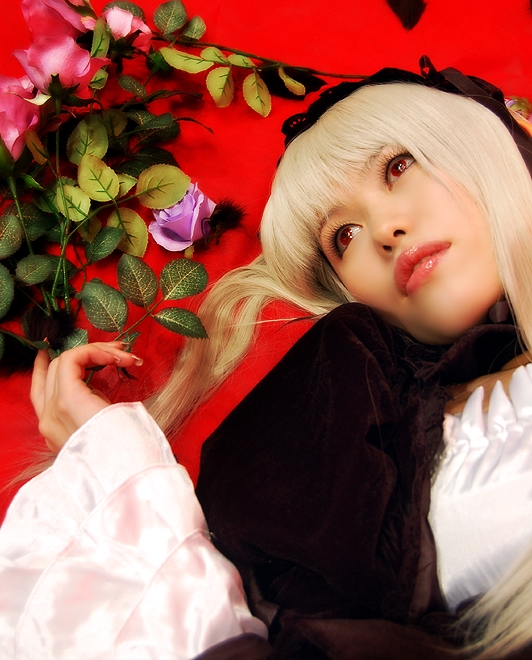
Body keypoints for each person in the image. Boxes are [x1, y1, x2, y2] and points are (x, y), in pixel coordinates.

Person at [3, 59, 532, 659]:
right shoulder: (367, 441)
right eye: (344, 237)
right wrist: (112, 467)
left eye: (397, 166)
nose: (384, 229)